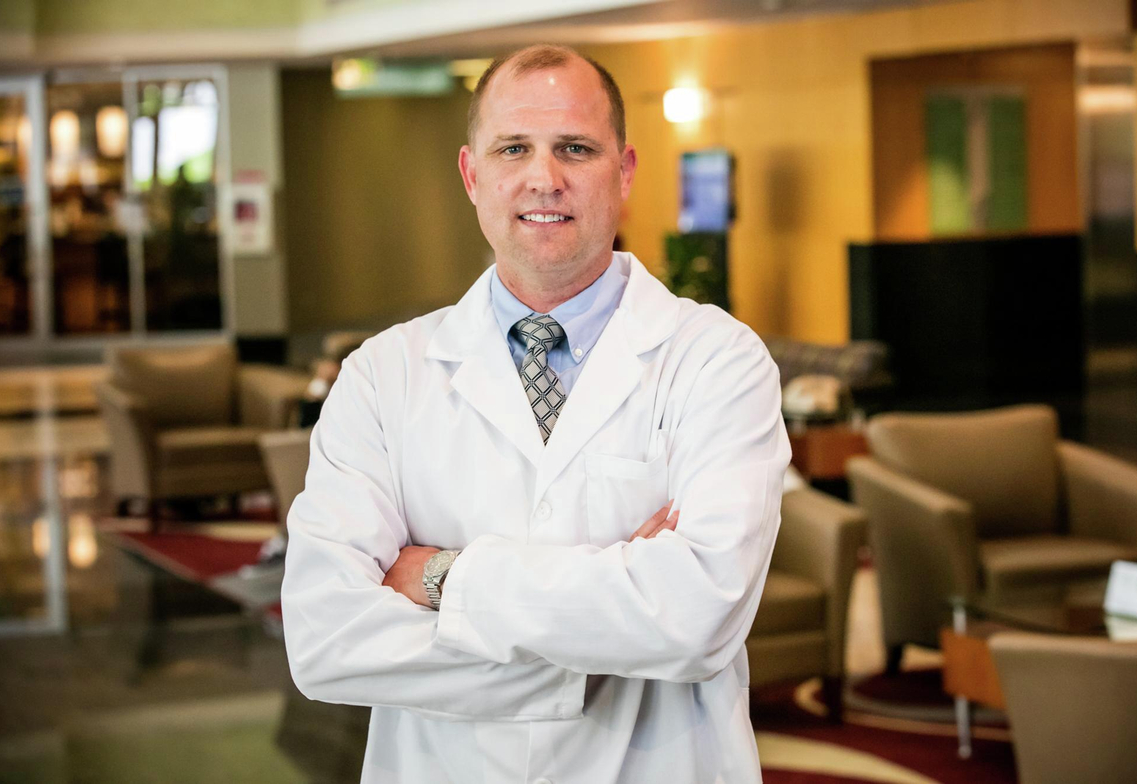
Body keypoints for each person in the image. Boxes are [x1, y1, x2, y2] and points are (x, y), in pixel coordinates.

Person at [281, 44, 791, 783]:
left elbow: (697, 618)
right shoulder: (381, 376)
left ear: (624, 172)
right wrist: (593, 654)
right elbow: (326, 639)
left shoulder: (716, 360)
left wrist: (442, 579)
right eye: (513, 147)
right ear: (472, 174)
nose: (543, 178)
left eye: (575, 149)